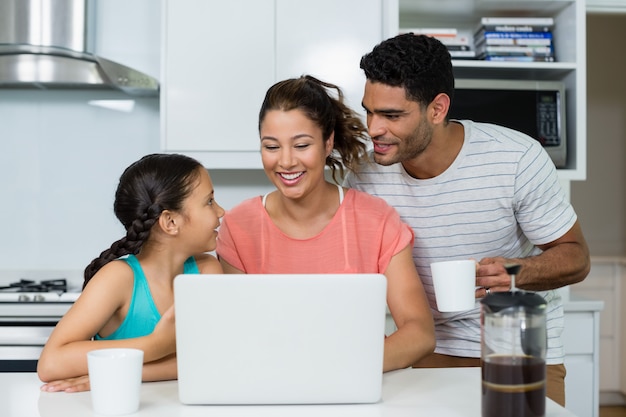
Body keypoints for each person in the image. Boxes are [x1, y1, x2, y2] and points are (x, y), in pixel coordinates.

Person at [343, 33, 591, 406]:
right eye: (369, 111)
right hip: (422, 348)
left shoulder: (515, 158)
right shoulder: (363, 175)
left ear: (438, 109)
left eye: (392, 115)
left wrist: (515, 272)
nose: (374, 128)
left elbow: (576, 256)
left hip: (515, 348)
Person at [216, 75, 435, 372]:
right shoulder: (238, 226)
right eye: (271, 147)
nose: (286, 161)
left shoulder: (377, 220)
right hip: (270, 383)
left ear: (327, 142)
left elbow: (419, 333)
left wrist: (334, 369)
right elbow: (235, 333)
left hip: (358, 384)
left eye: (301, 145)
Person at [37, 153, 225, 392]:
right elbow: (50, 364)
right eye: (209, 202)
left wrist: (122, 372)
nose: (221, 211)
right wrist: (155, 345)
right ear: (170, 222)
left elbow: (213, 360)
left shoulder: (208, 272)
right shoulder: (118, 279)